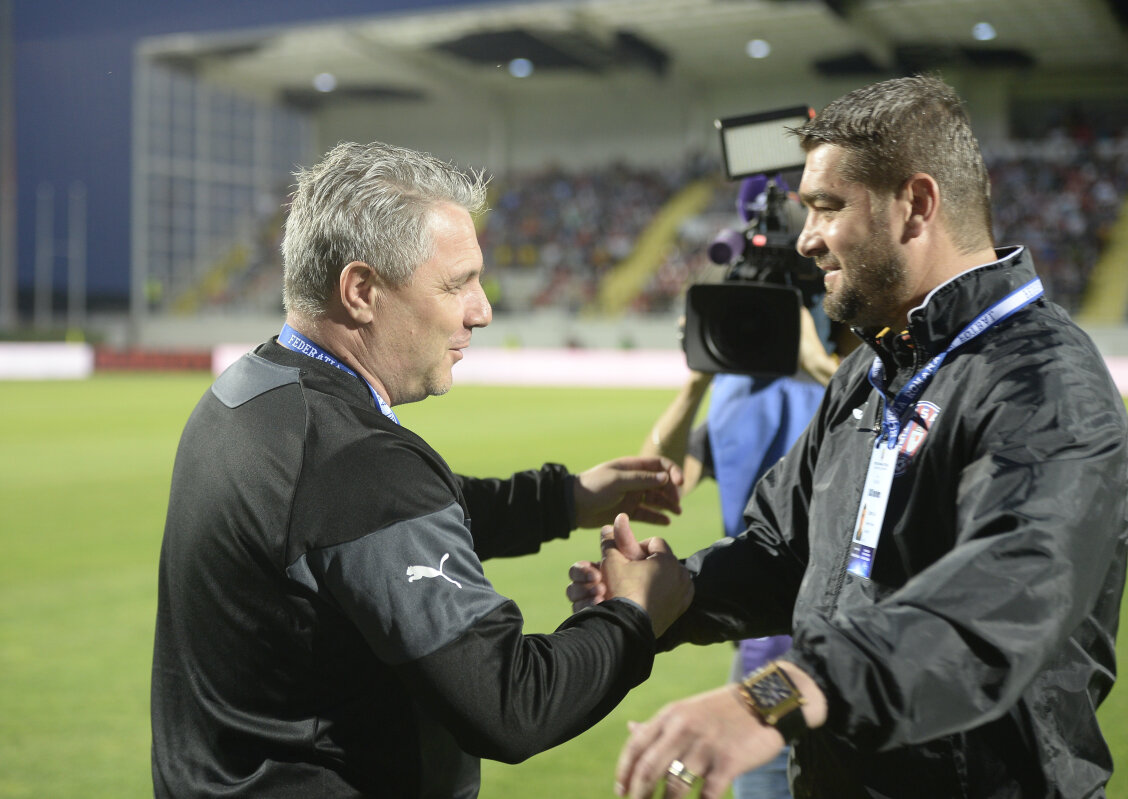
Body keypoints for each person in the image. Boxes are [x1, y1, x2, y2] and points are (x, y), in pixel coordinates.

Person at [570, 75, 1128, 799]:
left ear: (916, 204)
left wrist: (773, 697)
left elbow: (1001, 602)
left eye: (827, 207)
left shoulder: (1045, 382)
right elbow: (783, 554)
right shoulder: (871, 368)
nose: (805, 239)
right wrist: (675, 594)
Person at [150, 140, 694, 799]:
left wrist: (564, 499)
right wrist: (634, 614)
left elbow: (381, 518)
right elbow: (510, 705)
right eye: (457, 283)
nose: (482, 310)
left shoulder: (247, 393)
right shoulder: (356, 460)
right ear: (361, 291)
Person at [643, 300, 842, 799]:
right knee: (762, 783)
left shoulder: (858, 376)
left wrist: (818, 365)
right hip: (769, 647)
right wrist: (697, 380)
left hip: (832, 651)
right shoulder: (738, 396)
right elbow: (656, 484)